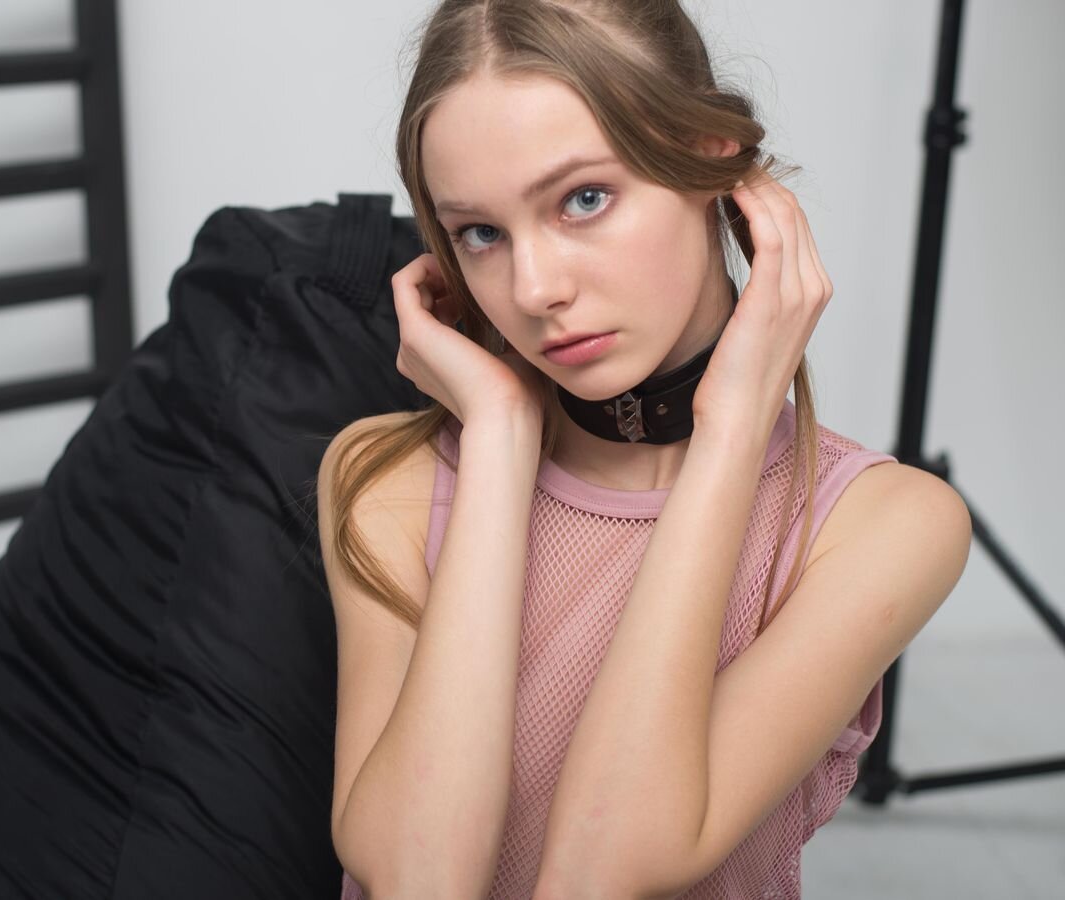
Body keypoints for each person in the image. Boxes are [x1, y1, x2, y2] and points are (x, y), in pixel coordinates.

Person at [318, 1, 973, 897]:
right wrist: (501, 442)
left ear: (711, 160)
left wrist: (732, 431)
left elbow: (604, 874)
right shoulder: (385, 479)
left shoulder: (879, 525)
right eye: (482, 233)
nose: (535, 289)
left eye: (584, 199)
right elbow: (417, 882)